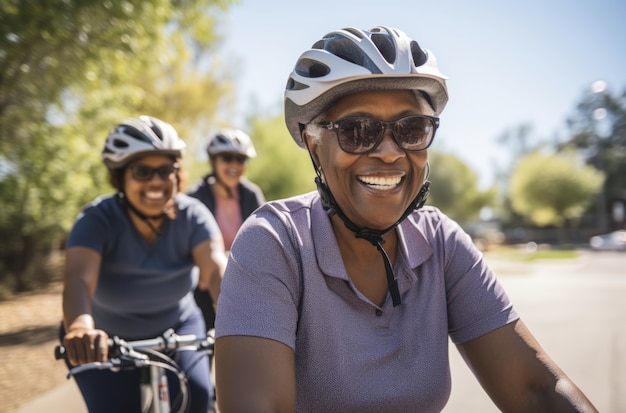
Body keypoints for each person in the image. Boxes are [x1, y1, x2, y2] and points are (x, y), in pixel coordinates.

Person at [213, 26, 598, 412]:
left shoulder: (442, 243)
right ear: (314, 144)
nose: (389, 152)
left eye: (411, 129)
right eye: (357, 130)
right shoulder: (273, 242)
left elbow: (535, 392)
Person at [61, 115, 226, 413]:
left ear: (178, 174)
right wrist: (80, 327)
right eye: (142, 172)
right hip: (102, 336)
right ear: (120, 177)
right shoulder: (97, 218)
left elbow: (215, 269)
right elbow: (78, 279)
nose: (156, 182)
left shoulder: (193, 215)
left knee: (199, 398)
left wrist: (235, 314)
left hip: (178, 328)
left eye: (166, 170)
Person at [187, 128, 265, 332]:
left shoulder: (251, 194)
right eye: (227, 158)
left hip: (244, 283)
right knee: (203, 344)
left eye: (240, 160)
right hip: (203, 287)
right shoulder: (194, 198)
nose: (234, 165)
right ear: (213, 162)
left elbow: (264, 241)